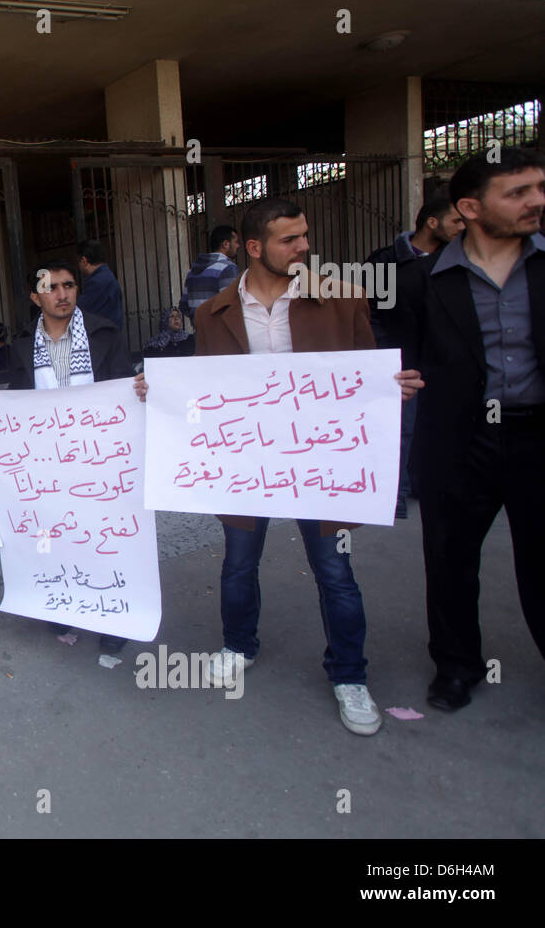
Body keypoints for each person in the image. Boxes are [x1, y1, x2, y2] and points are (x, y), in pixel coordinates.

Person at [133, 199, 423, 736]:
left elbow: (366, 372)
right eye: (290, 240)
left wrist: (393, 386)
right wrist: (164, 390)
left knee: (336, 572)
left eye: (304, 236)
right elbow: (206, 387)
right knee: (239, 564)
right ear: (253, 247)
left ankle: (349, 676)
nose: (304, 247)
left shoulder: (342, 299)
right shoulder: (214, 312)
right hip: (246, 467)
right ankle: (238, 646)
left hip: (322, 468)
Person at [393, 147, 545, 712]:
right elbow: (397, 354)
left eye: (538, 188)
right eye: (519, 192)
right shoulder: (423, 281)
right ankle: (456, 666)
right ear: (471, 208)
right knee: (451, 560)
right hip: (458, 442)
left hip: (536, 437)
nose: (536, 202)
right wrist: (396, 377)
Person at [0, 260, 134, 654]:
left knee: (101, 539)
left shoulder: (104, 334)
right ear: (35, 296)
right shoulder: (24, 344)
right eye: (52, 287)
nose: (62, 294)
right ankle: (67, 607)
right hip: (48, 465)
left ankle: (112, 616)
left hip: (98, 458)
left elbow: (122, 389)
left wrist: (138, 391)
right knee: (57, 537)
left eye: (69, 285)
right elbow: (19, 399)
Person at [367, 192, 464, 518]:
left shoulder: (460, 262)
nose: (461, 227)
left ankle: (427, 485)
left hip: (443, 363)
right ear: (432, 222)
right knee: (400, 429)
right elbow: (371, 314)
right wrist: (386, 357)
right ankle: (395, 494)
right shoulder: (384, 263)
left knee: (439, 425)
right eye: (456, 221)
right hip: (401, 363)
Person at [177, 225, 240, 323]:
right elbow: (233, 305)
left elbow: (184, 305)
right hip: (221, 333)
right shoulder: (227, 268)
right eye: (236, 242)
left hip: (199, 333)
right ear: (225, 244)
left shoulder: (192, 271)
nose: (238, 245)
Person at [76, 240, 125, 330]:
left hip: (104, 337)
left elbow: (78, 311)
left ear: (84, 260)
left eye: (78, 262)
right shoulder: (106, 277)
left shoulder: (98, 282)